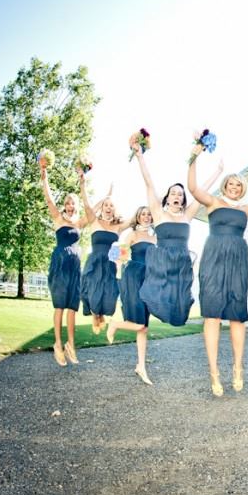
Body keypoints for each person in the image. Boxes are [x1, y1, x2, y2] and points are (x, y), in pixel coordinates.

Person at [188, 148, 248, 396]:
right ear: (224, 185)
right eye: (231, 183)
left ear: (243, 188)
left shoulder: (247, 210)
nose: (234, 187)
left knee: (237, 316)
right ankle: (214, 372)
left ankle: (237, 367)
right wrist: (194, 157)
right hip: (213, 258)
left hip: (237, 260)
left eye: (238, 184)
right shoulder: (213, 202)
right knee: (212, 315)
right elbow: (192, 188)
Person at [131, 145, 222, 327]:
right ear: (167, 197)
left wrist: (218, 172)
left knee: (179, 311)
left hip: (181, 265)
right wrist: (140, 157)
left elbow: (202, 191)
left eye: (180, 194)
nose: (177, 196)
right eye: (173, 193)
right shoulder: (158, 213)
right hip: (163, 263)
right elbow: (149, 183)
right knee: (156, 298)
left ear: (183, 199)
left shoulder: (187, 215)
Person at [40, 161, 92, 367]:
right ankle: (58, 344)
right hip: (60, 265)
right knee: (60, 306)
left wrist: (83, 182)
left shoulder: (79, 223)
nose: (71, 206)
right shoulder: (58, 218)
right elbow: (48, 197)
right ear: (64, 205)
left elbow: (91, 211)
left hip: (75, 267)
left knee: (72, 307)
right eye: (68, 203)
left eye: (73, 203)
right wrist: (44, 175)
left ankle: (71, 345)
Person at [106, 206, 157, 385]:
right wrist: (119, 268)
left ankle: (141, 366)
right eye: (143, 214)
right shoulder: (133, 234)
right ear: (138, 217)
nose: (146, 217)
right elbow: (115, 253)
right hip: (134, 278)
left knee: (144, 328)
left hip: (149, 281)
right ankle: (115, 324)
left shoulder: (155, 237)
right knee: (139, 324)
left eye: (149, 214)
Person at [78, 175, 126, 340]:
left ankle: (101, 314)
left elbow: (135, 221)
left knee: (109, 296)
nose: (108, 207)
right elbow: (86, 204)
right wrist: (83, 184)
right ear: (102, 207)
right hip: (95, 262)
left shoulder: (118, 226)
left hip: (110, 264)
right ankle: (95, 314)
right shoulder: (94, 221)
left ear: (114, 209)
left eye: (111, 205)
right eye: (106, 205)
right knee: (92, 292)